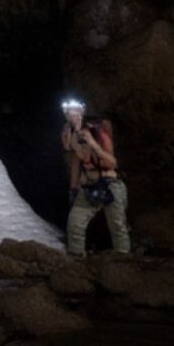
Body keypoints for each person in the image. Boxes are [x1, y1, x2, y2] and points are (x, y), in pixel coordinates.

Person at [60, 98, 130, 256]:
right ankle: (76, 259)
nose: (73, 116)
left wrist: (93, 144)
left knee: (117, 226)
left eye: (75, 112)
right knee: (75, 223)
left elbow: (111, 162)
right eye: (69, 113)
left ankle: (124, 260)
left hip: (110, 185)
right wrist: (73, 188)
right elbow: (76, 163)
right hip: (90, 186)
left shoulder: (97, 132)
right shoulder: (71, 134)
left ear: (82, 112)